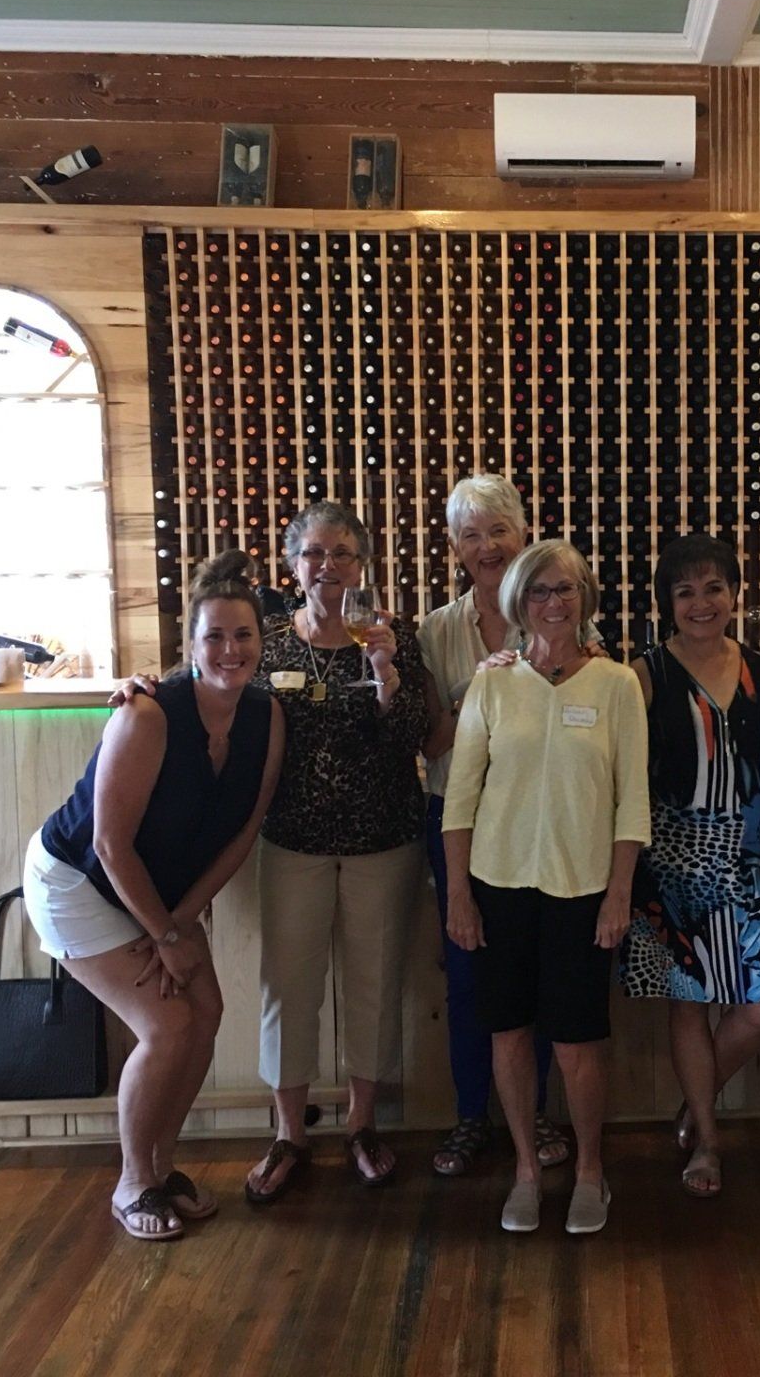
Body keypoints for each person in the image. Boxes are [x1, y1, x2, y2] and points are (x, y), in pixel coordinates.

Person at [23, 551, 285, 1241]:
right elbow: (109, 843)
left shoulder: (267, 717)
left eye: (244, 636)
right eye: (215, 637)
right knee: (167, 1024)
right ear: (190, 647)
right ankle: (132, 1180)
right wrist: (165, 939)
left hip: (157, 892)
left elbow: (245, 828)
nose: (230, 651)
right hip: (78, 881)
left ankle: (163, 1167)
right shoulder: (147, 715)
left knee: (206, 1011)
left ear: (262, 641)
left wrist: (180, 919)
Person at [442, 539, 650, 1236]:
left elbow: (632, 803)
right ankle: (527, 1169)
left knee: (577, 1041)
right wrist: (459, 895)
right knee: (508, 1033)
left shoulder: (617, 684)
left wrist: (619, 892)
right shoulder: (494, 683)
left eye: (564, 590)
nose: (553, 603)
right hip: (498, 886)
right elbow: (460, 797)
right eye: (539, 591)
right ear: (518, 602)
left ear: (584, 598)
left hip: (582, 889)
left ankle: (590, 1170)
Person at [238, 502, 430, 1203]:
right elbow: (207, 686)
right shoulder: (267, 644)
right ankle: (289, 1133)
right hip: (294, 841)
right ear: (293, 568)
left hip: (384, 839)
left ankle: (361, 1125)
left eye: (344, 553)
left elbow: (415, 734)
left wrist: (386, 675)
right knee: (287, 988)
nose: (329, 567)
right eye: (315, 554)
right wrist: (142, 689)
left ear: (363, 565)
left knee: (375, 986)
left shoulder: (394, 638)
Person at [419, 474, 597, 1179]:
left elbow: (597, 704)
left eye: (498, 531)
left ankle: (541, 1114)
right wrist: (484, 693)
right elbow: (429, 740)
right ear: (455, 548)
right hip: (461, 822)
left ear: (524, 535)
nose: (487, 547)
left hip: (550, 820)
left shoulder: (568, 619)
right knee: (469, 977)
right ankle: (472, 1117)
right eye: (471, 535)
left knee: (550, 982)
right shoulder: (435, 631)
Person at [620, 534, 760, 1199]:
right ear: (667, 603)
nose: (701, 601)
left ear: (735, 595)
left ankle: (697, 1104)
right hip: (672, 858)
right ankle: (709, 1143)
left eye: (714, 587)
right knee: (688, 1007)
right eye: (685, 590)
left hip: (747, 856)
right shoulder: (643, 675)